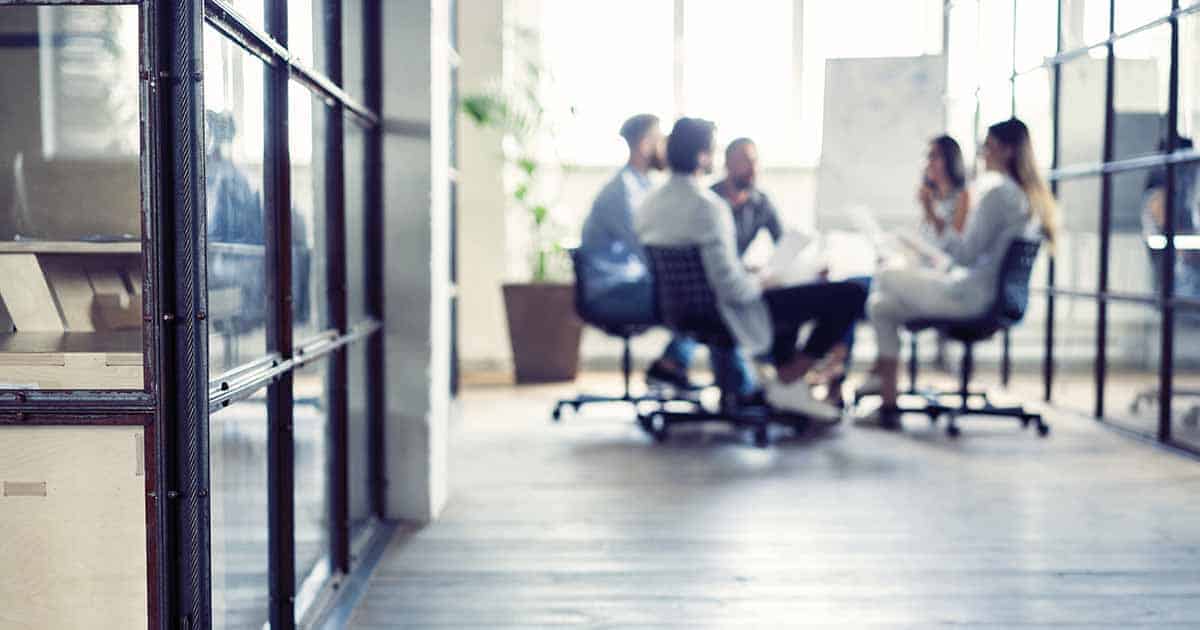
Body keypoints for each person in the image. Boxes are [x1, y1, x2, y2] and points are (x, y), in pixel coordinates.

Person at [635, 117, 867, 420]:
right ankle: (789, 381)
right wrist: (764, 281)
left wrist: (757, 276)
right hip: (724, 311)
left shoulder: (648, 204)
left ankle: (787, 383)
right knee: (851, 293)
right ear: (704, 156)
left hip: (676, 310)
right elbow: (732, 288)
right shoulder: (709, 207)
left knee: (791, 293)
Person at [856, 117, 1058, 428]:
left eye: (987, 147)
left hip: (973, 296)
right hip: (985, 293)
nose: (981, 154)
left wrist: (936, 224)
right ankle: (888, 402)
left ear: (1005, 151)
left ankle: (876, 377)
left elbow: (964, 255)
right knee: (881, 307)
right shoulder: (1021, 196)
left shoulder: (999, 194)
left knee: (885, 276)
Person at [579, 114, 702, 391]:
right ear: (645, 144)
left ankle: (673, 365)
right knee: (694, 295)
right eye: (661, 141)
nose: (667, 150)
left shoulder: (644, 186)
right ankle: (671, 366)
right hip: (611, 291)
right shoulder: (622, 191)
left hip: (629, 283)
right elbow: (648, 252)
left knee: (698, 288)